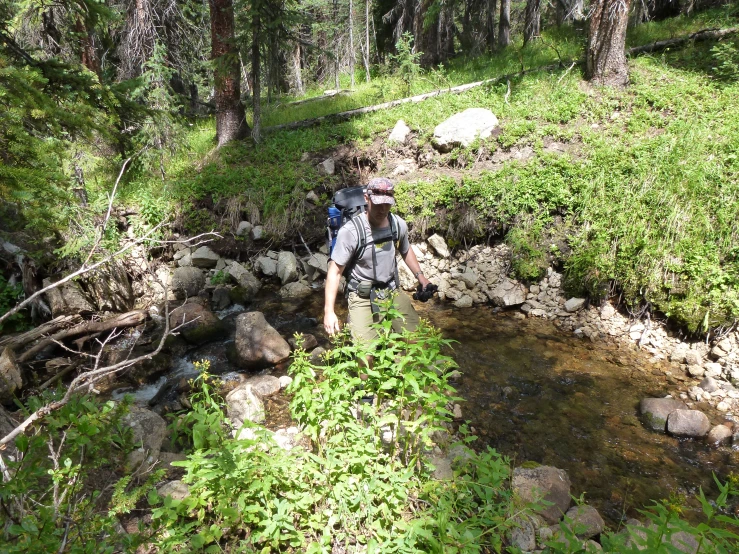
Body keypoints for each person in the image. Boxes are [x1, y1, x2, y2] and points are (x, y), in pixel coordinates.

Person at [323, 177, 435, 342]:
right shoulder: (351, 231)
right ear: (366, 198)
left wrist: (421, 277)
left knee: (417, 341)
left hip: (392, 290)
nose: (382, 209)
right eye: (378, 204)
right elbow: (335, 272)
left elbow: (405, 249)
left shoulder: (397, 224)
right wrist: (329, 312)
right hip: (362, 296)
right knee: (365, 354)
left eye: (387, 204)